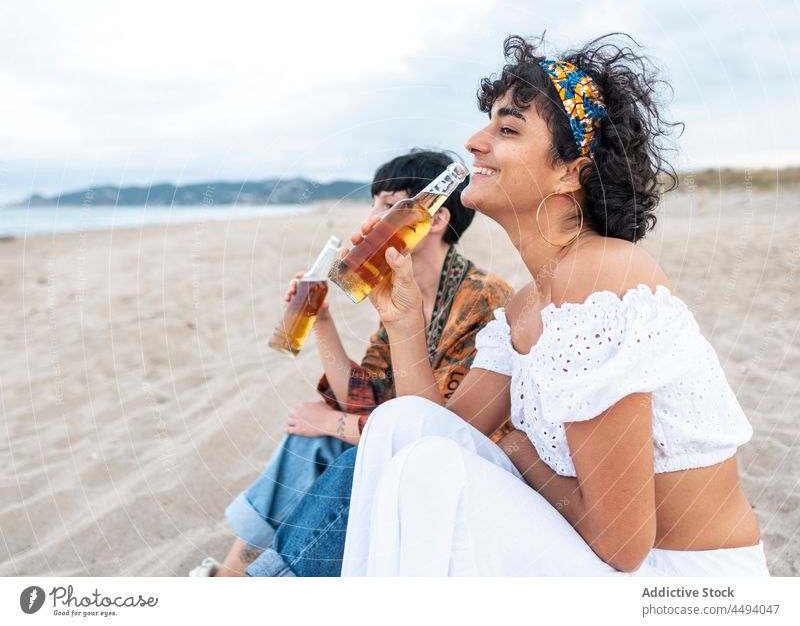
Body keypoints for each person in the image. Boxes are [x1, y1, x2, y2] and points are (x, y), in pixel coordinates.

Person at [335, 34, 769, 576]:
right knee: (399, 424)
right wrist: (401, 320)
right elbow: (439, 428)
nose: (473, 141)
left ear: (571, 172)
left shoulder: (599, 278)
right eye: (487, 122)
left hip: (675, 583)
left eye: (507, 128)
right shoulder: (527, 305)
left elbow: (623, 544)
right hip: (605, 561)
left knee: (428, 469)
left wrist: (518, 450)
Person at [190, 149, 513, 577]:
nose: (371, 218)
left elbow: (442, 433)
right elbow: (364, 397)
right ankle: (229, 577)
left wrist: (333, 424)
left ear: (432, 219)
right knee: (309, 441)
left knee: (336, 451)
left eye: (388, 204)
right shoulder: (404, 293)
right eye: (373, 203)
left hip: (465, 469)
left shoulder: (481, 298)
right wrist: (321, 320)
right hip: (409, 447)